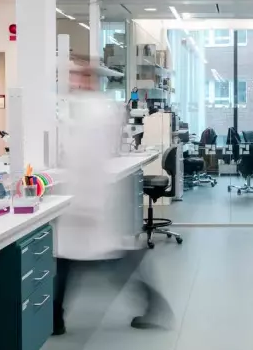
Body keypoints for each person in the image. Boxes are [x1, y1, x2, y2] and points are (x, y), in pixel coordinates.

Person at [52, 92, 171, 332]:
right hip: (82, 206)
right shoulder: (81, 111)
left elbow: (90, 163)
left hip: (89, 205)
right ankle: (55, 319)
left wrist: (88, 205)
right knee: (68, 262)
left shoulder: (94, 112)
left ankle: (155, 306)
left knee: (113, 263)